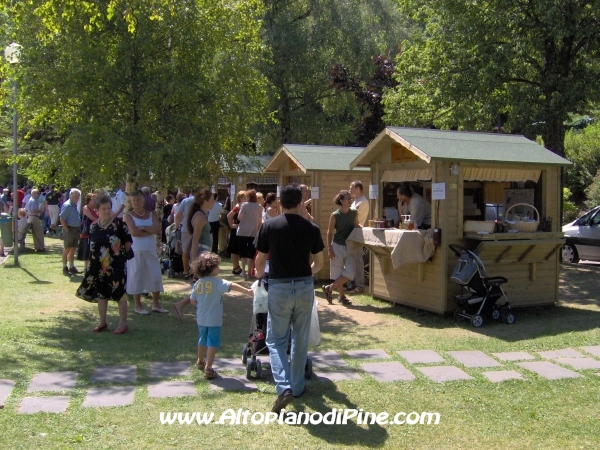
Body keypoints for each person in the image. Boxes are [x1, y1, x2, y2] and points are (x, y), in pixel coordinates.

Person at [255, 184, 325, 413]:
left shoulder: (269, 226)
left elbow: (260, 259)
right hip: (305, 286)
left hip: (279, 287)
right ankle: (296, 387)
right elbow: (320, 263)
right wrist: (307, 274)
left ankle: (283, 386)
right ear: (300, 202)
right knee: (300, 338)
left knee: (275, 340)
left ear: (279, 203)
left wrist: (258, 275)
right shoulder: (311, 228)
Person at [187, 252, 252, 378]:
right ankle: (209, 367)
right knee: (212, 341)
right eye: (217, 266)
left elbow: (192, 300)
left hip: (201, 317)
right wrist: (247, 291)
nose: (219, 268)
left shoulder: (198, 283)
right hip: (214, 318)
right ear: (211, 268)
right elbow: (232, 285)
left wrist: (201, 306)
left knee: (202, 339)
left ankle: (200, 360)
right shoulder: (217, 282)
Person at [76, 194, 133, 334]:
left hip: (116, 265)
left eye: (109, 208)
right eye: (103, 208)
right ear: (97, 210)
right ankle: (102, 322)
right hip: (99, 265)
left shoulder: (119, 224)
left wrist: (118, 257)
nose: (107, 211)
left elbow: (128, 242)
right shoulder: (94, 226)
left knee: (120, 293)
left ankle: (122, 324)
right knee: (101, 293)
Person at [172, 189, 214, 320]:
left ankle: (181, 305)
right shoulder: (200, 217)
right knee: (204, 284)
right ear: (205, 201)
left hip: (203, 252)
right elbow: (195, 240)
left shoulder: (202, 214)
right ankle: (186, 307)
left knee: (203, 285)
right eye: (212, 199)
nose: (214, 202)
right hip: (201, 252)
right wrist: (194, 261)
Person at [124, 189, 167, 315]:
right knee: (137, 275)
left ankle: (156, 304)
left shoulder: (151, 214)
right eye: (134, 200)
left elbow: (158, 229)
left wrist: (143, 228)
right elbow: (134, 232)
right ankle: (138, 305)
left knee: (155, 275)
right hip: (136, 250)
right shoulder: (128, 215)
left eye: (138, 200)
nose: (136, 202)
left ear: (143, 201)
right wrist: (150, 230)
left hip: (150, 249)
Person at [322, 190, 360, 306]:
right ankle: (342, 296)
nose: (350, 201)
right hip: (337, 246)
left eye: (350, 199)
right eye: (348, 199)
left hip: (350, 246)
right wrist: (329, 249)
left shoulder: (354, 212)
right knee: (338, 273)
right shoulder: (335, 215)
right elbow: (329, 232)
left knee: (350, 272)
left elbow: (357, 225)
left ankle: (329, 288)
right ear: (342, 201)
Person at [236, 189, 263, 278]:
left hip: (242, 230)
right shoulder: (259, 207)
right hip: (253, 231)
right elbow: (260, 220)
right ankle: (249, 273)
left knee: (242, 251)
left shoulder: (244, 205)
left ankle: (243, 271)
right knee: (250, 252)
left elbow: (239, 217)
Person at [349, 181, 369, 294]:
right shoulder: (355, 201)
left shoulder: (363, 202)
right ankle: (353, 283)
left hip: (357, 233)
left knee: (358, 259)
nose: (350, 189)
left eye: (351, 187)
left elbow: (352, 216)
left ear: (358, 188)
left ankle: (360, 285)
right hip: (351, 233)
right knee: (352, 259)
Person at [59, 188, 82, 274]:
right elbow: (62, 218)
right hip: (69, 229)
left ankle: (72, 267)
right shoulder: (67, 205)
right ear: (73, 196)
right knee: (67, 249)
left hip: (75, 230)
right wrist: (67, 230)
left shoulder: (74, 205)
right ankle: (65, 268)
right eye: (77, 197)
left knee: (73, 249)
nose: (78, 199)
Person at [77, 192, 99, 271]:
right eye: (93, 200)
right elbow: (92, 217)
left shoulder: (95, 209)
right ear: (89, 200)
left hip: (93, 232)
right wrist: (101, 221)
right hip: (86, 232)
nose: (95, 201)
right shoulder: (85, 208)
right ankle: (86, 267)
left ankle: (90, 266)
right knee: (86, 250)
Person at [226, 190, 246, 275]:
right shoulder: (238, 206)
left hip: (241, 230)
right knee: (234, 249)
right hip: (236, 229)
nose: (246, 199)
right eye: (244, 197)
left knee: (237, 249)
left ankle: (238, 267)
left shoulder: (244, 206)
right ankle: (235, 267)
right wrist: (231, 225)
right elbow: (229, 215)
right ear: (240, 198)